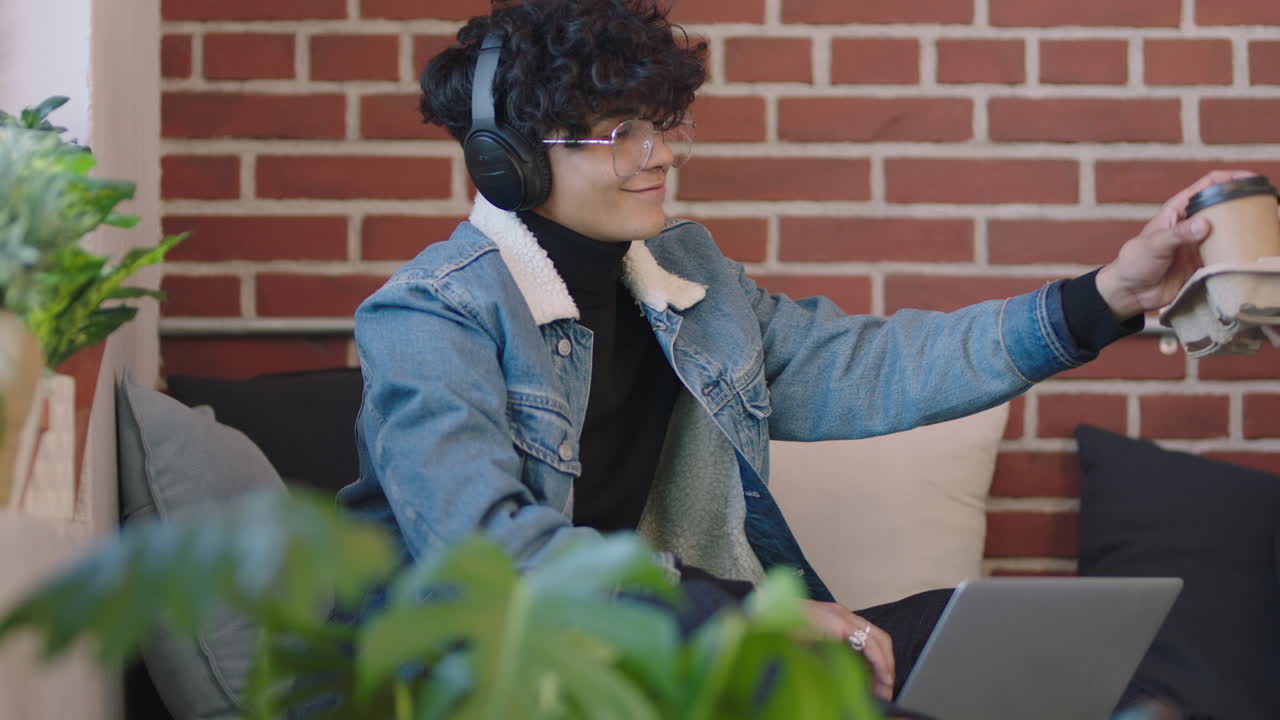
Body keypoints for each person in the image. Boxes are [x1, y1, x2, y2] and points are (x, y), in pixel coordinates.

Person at [335, 0, 1250, 712]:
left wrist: (1111, 294)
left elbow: (874, 366)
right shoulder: (431, 315)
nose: (661, 157)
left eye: (667, 124)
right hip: (508, 677)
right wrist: (746, 615)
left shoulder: (684, 278)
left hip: (670, 646)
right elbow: (490, 555)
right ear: (507, 160)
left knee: (1045, 648)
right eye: (622, 135)